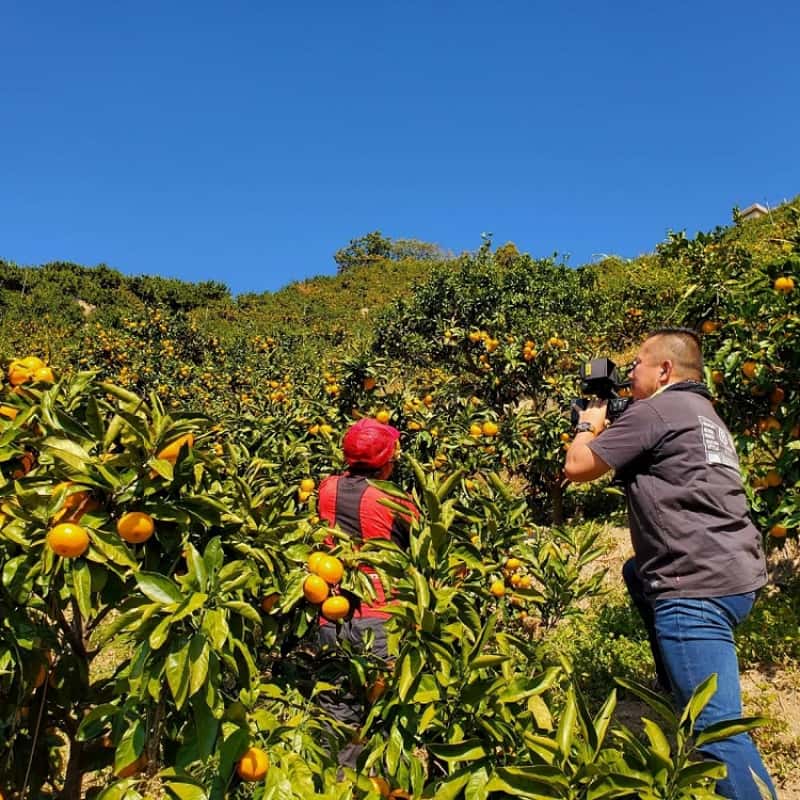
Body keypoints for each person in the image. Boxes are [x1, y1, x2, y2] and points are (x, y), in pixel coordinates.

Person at [564, 327, 776, 800]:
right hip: (738, 572)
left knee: (717, 730)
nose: (629, 373)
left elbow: (577, 467)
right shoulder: (703, 413)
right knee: (636, 572)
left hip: (695, 585)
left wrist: (588, 425)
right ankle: (675, 679)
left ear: (664, 370)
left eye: (636, 364)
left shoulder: (656, 410)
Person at [315, 417, 418, 768]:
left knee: (337, 710)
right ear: (386, 463)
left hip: (331, 614)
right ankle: (380, 781)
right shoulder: (395, 500)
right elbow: (420, 548)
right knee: (385, 713)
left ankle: (337, 782)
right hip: (382, 618)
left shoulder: (325, 488)